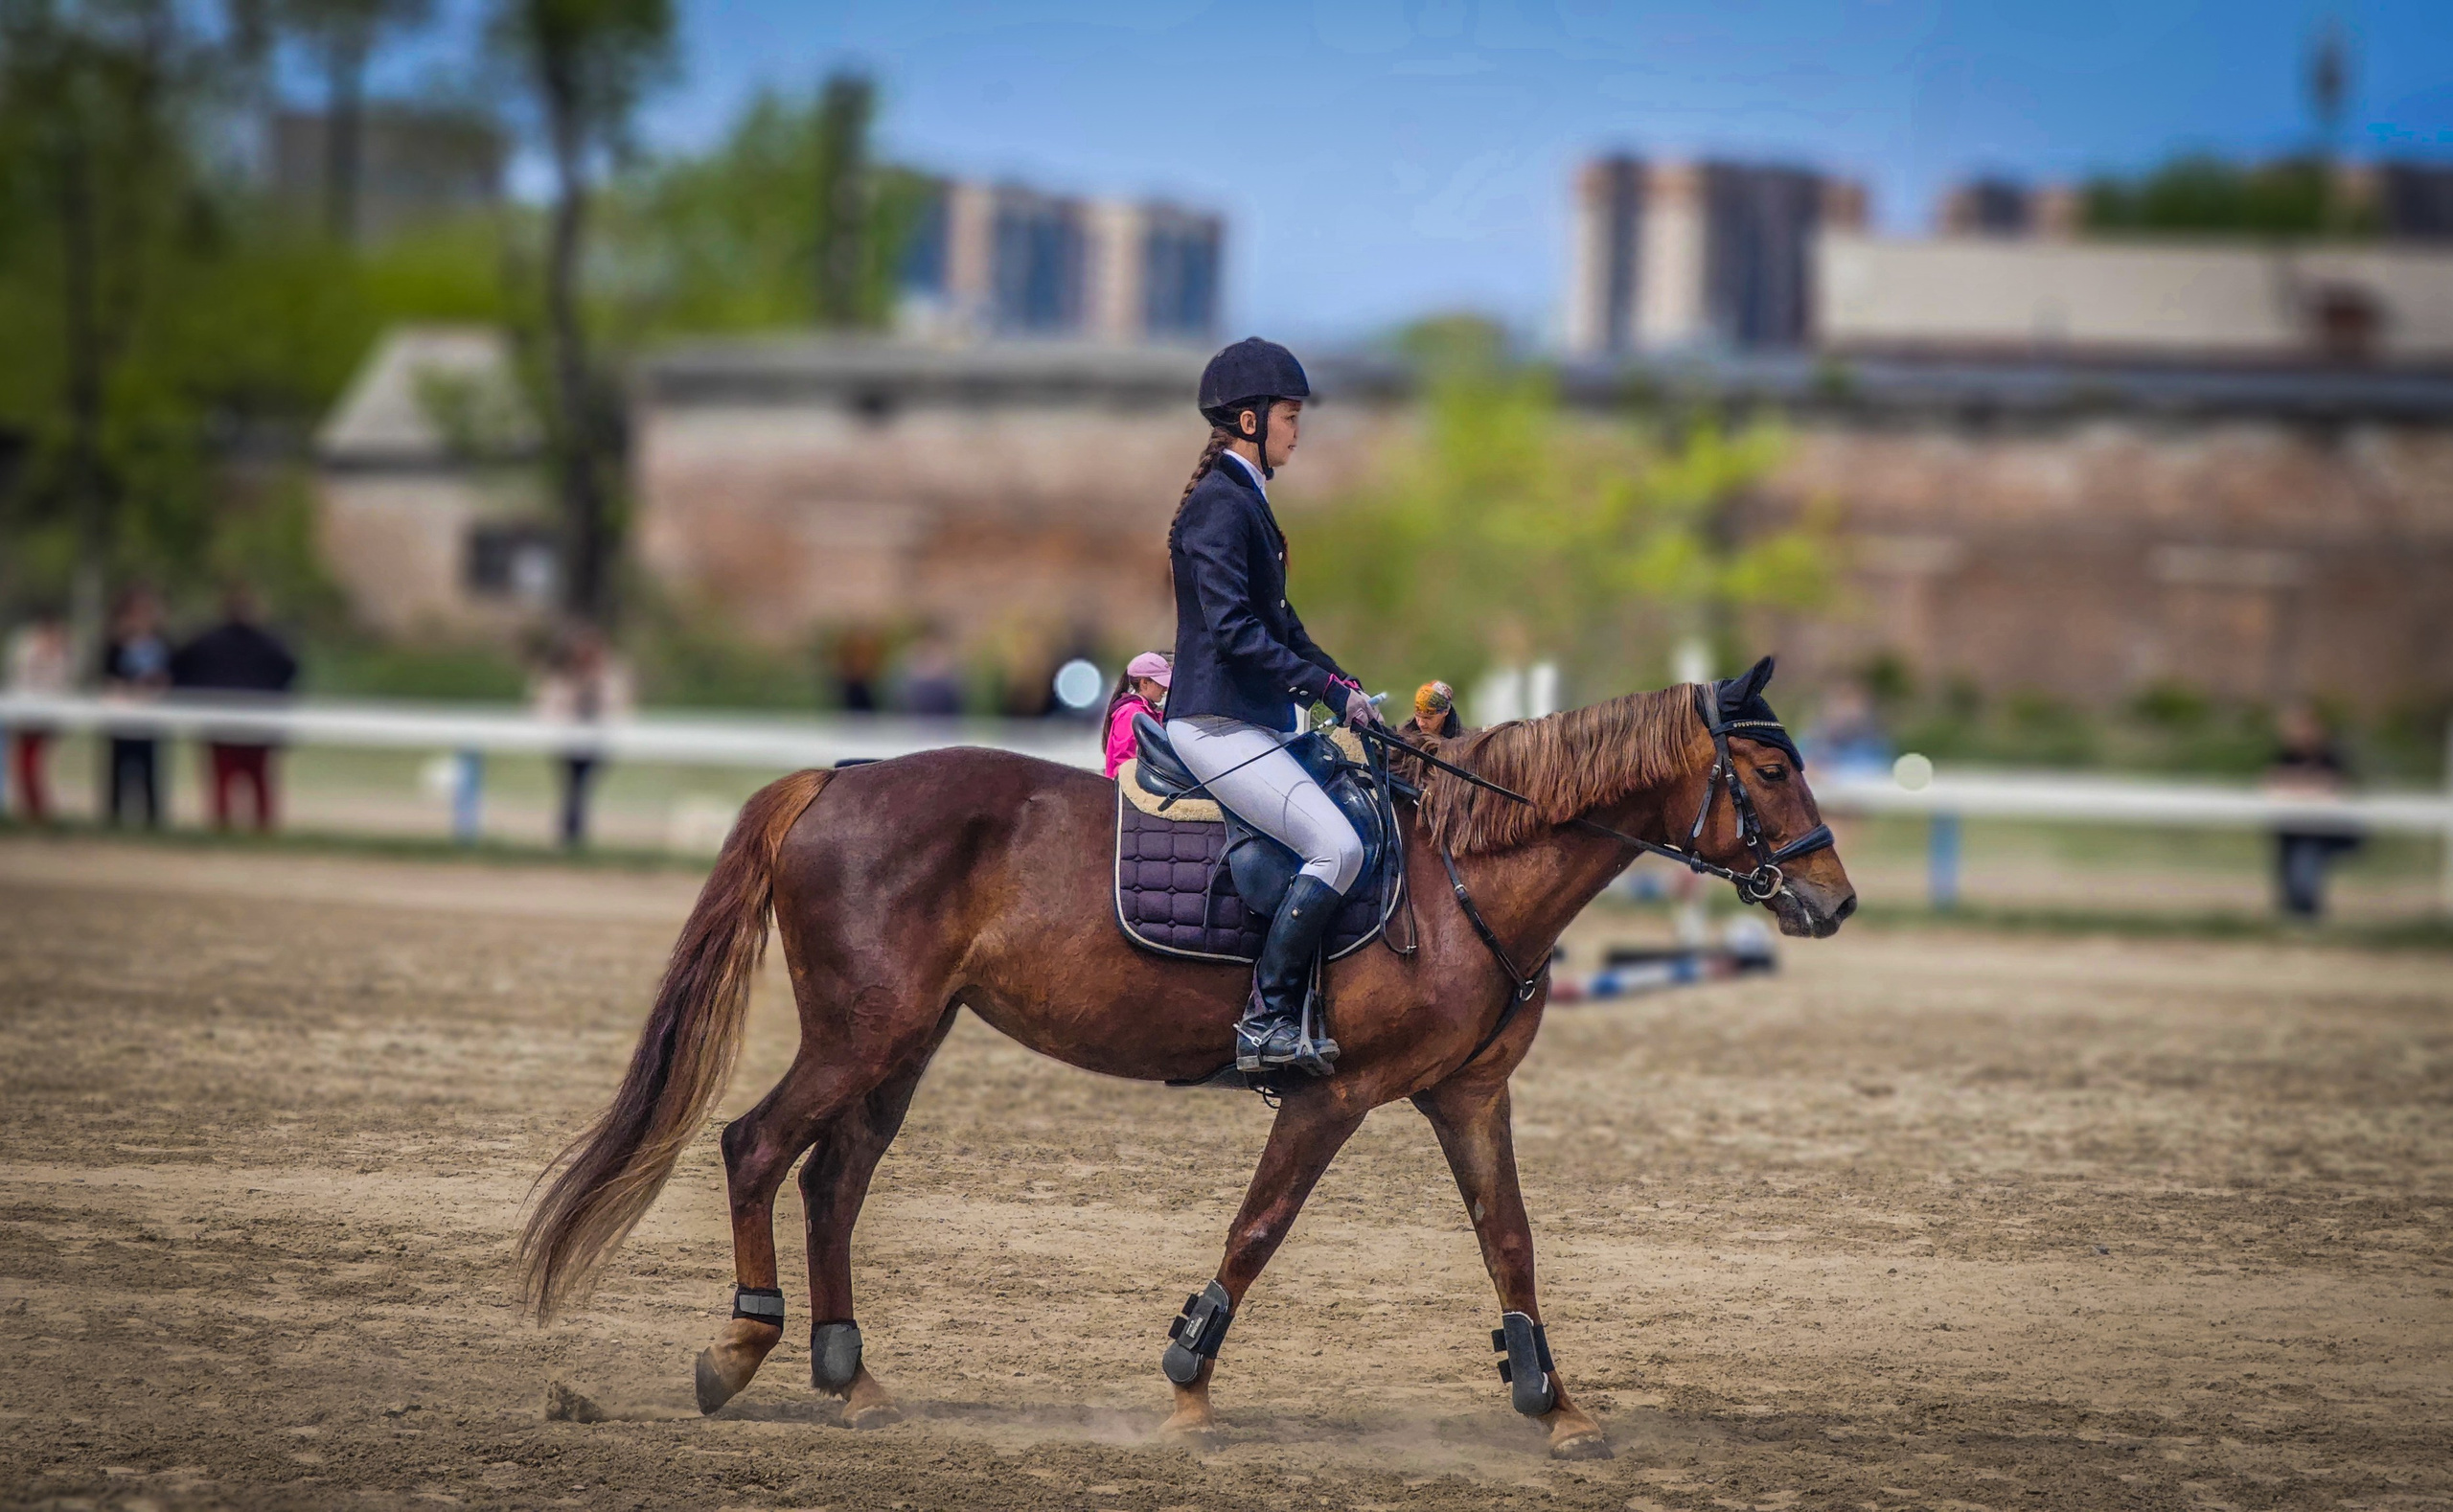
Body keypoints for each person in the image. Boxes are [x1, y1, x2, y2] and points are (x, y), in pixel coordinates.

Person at [1165, 336, 1382, 1077]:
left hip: (1251, 721)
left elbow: (1284, 630)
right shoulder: (1220, 508)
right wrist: (1321, 690)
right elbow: (1234, 633)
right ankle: (1267, 1019)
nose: (1299, 428)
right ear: (1250, 422)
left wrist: (1346, 688)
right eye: (1290, 415)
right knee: (1339, 848)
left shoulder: (1247, 503)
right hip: (1215, 722)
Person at [172, 585, 298, 832]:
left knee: (227, 778)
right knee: (254, 778)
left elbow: (180, 667)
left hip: (223, 722)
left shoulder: (209, 641)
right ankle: (259, 827)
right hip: (256, 723)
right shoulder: (269, 643)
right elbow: (289, 673)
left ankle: (226, 825)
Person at [533, 625, 633, 849]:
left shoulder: (609, 678)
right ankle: (573, 832)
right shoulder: (562, 678)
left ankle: (572, 832)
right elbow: (547, 708)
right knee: (575, 785)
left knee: (579, 785)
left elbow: (618, 709)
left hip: (597, 742)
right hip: (568, 741)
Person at [2265, 700, 2359, 920]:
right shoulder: (2285, 755)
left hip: (2319, 827)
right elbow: (2270, 782)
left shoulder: (2331, 756)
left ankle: (2305, 912)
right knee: (2289, 870)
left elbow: (2336, 784)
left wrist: (2296, 785)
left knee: (2304, 870)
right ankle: (2295, 912)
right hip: (2290, 826)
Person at [100, 586, 172, 828]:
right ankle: (114, 818)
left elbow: (172, 674)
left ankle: (153, 820)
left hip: (151, 715)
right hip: (121, 713)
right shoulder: (116, 643)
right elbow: (106, 675)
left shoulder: (161, 642)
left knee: (150, 768)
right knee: (117, 767)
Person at [5, 609, 72, 822]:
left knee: (34, 762)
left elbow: (59, 685)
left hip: (47, 715)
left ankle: (38, 808)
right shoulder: (27, 650)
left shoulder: (61, 655)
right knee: (24, 763)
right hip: (26, 713)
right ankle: (31, 808)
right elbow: (22, 679)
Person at [1102, 652, 1172, 779]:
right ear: (1144, 682)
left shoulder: (1150, 711)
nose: (1165, 689)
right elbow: (1125, 761)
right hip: (1130, 783)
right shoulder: (1130, 712)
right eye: (1161, 684)